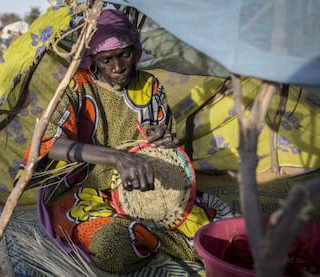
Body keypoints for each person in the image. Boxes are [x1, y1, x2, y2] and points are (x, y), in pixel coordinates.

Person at [16, 8, 238, 273]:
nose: (118, 66)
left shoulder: (149, 85)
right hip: (86, 192)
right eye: (107, 59)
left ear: (136, 50)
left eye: (124, 54)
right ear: (93, 59)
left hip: (147, 190)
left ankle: (151, 235)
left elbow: (165, 142)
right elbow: (48, 144)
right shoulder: (77, 87)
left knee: (221, 229)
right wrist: (117, 157)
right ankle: (153, 236)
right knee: (114, 246)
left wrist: (164, 140)